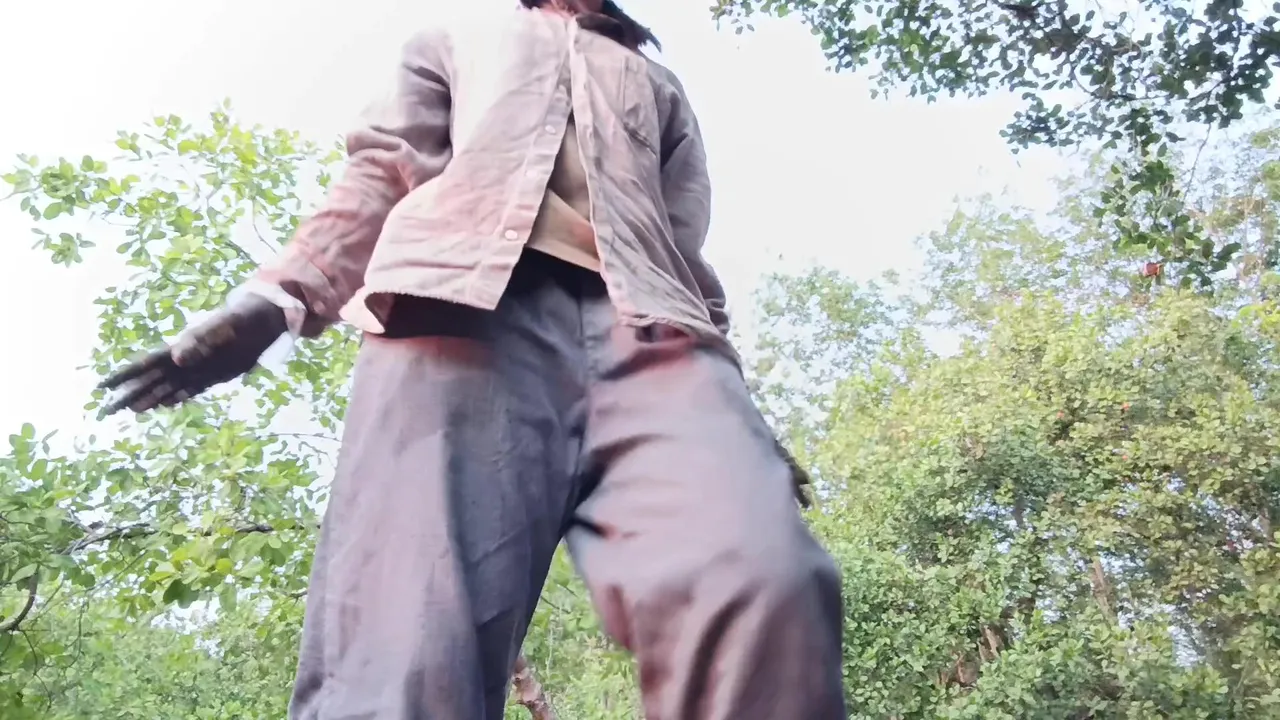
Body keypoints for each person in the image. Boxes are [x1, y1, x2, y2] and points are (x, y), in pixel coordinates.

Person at [98, 1, 847, 717]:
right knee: (411, 638)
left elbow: (684, 249)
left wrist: (738, 410)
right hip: (460, 314)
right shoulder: (455, 42)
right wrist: (275, 298)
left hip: (655, 341)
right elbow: (382, 173)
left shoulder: (658, 85)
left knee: (765, 578)